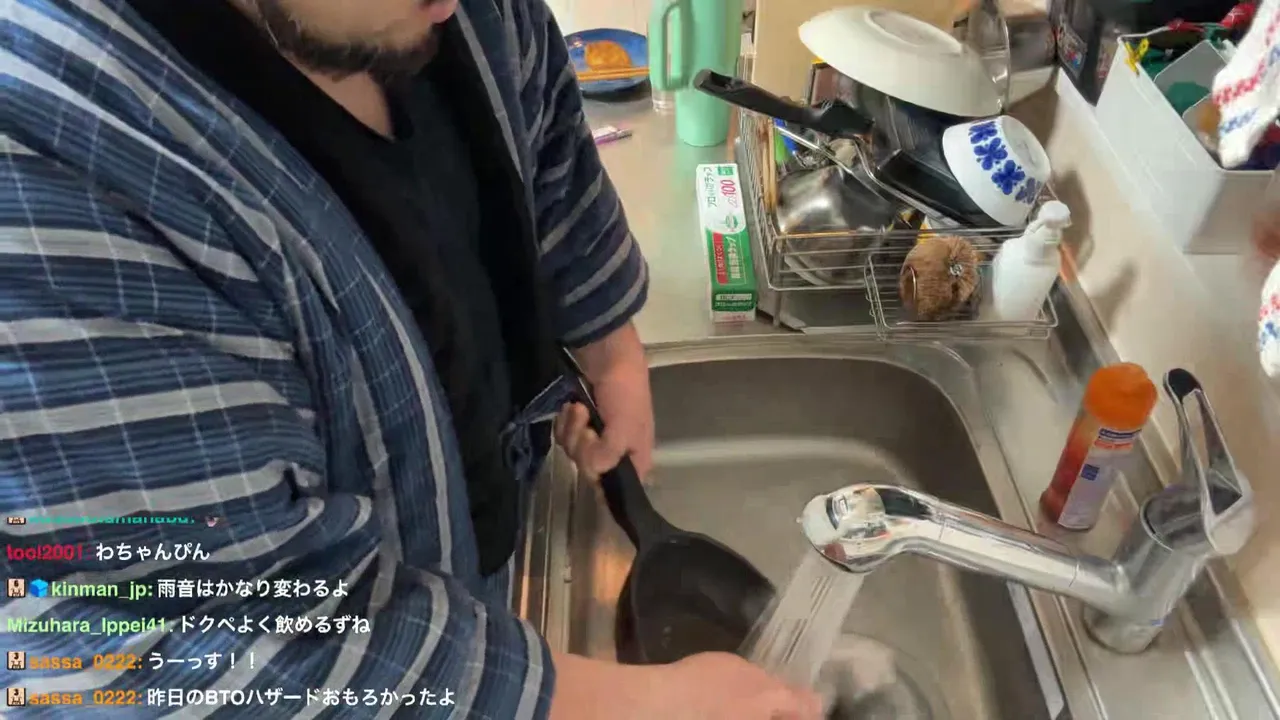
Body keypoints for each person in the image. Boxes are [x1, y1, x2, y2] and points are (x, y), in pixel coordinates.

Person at [0, 0, 822, 718]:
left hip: (465, 570)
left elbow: (541, 125)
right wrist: (632, 704)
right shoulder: (48, 174)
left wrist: (611, 350)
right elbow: (192, 643)